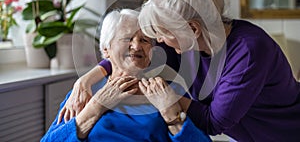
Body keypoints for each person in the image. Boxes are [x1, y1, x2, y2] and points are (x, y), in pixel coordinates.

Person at [137, 0, 300, 141]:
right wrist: (98, 74)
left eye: (162, 33)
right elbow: (135, 54)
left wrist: (167, 99)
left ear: (192, 28)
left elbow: (212, 122)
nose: (159, 39)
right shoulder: (186, 43)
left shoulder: (248, 51)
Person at [41, 9, 211, 142]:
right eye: (127, 39)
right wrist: (94, 109)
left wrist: (172, 115)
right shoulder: (84, 94)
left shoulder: (169, 91)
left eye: (144, 40)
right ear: (106, 49)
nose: (137, 46)